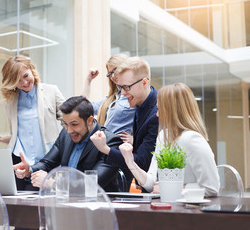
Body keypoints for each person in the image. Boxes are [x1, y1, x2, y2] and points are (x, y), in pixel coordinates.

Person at [118, 83, 220, 196]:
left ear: (172, 111)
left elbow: (212, 188)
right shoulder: (163, 136)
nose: (157, 114)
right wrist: (130, 162)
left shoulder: (192, 139)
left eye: (160, 109)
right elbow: (151, 183)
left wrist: (174, 187)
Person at [0, 55, 65, 190]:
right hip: (18, 163)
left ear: (31, 69)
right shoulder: (11, 102)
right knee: (19, 205)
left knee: (46, 204)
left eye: (26, 76)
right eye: (18, 81)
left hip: (47, 161)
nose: (24, 82)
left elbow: (69, 121)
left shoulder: (51, 91)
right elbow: (17, 137)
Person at [13, 96, 123, 191]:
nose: (69, 130)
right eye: (65, 124)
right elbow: (47, 163)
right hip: (65, 204)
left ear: (89, 120)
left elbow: (92, 184)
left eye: (74, 124)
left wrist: (52, 184)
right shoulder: (66, 134)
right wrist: (29, 170)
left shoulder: (110, 142)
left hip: (98, 207)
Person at [90, 57, 159, 190]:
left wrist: (106, 149)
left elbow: (144, 161)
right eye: (120, 87)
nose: (123, 93)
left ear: (144, 82)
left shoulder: (156, 113)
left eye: (126, 87)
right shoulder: (138, 103)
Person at [83, 54, 135, 143]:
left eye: (115, 70)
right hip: (105, 148)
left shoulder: (134, 96)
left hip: (121, 149)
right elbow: (84, 108)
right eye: (110, 73)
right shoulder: (113, 98)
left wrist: (135, 139)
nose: (113, 76)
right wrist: (88, 80)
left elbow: (146, 120)